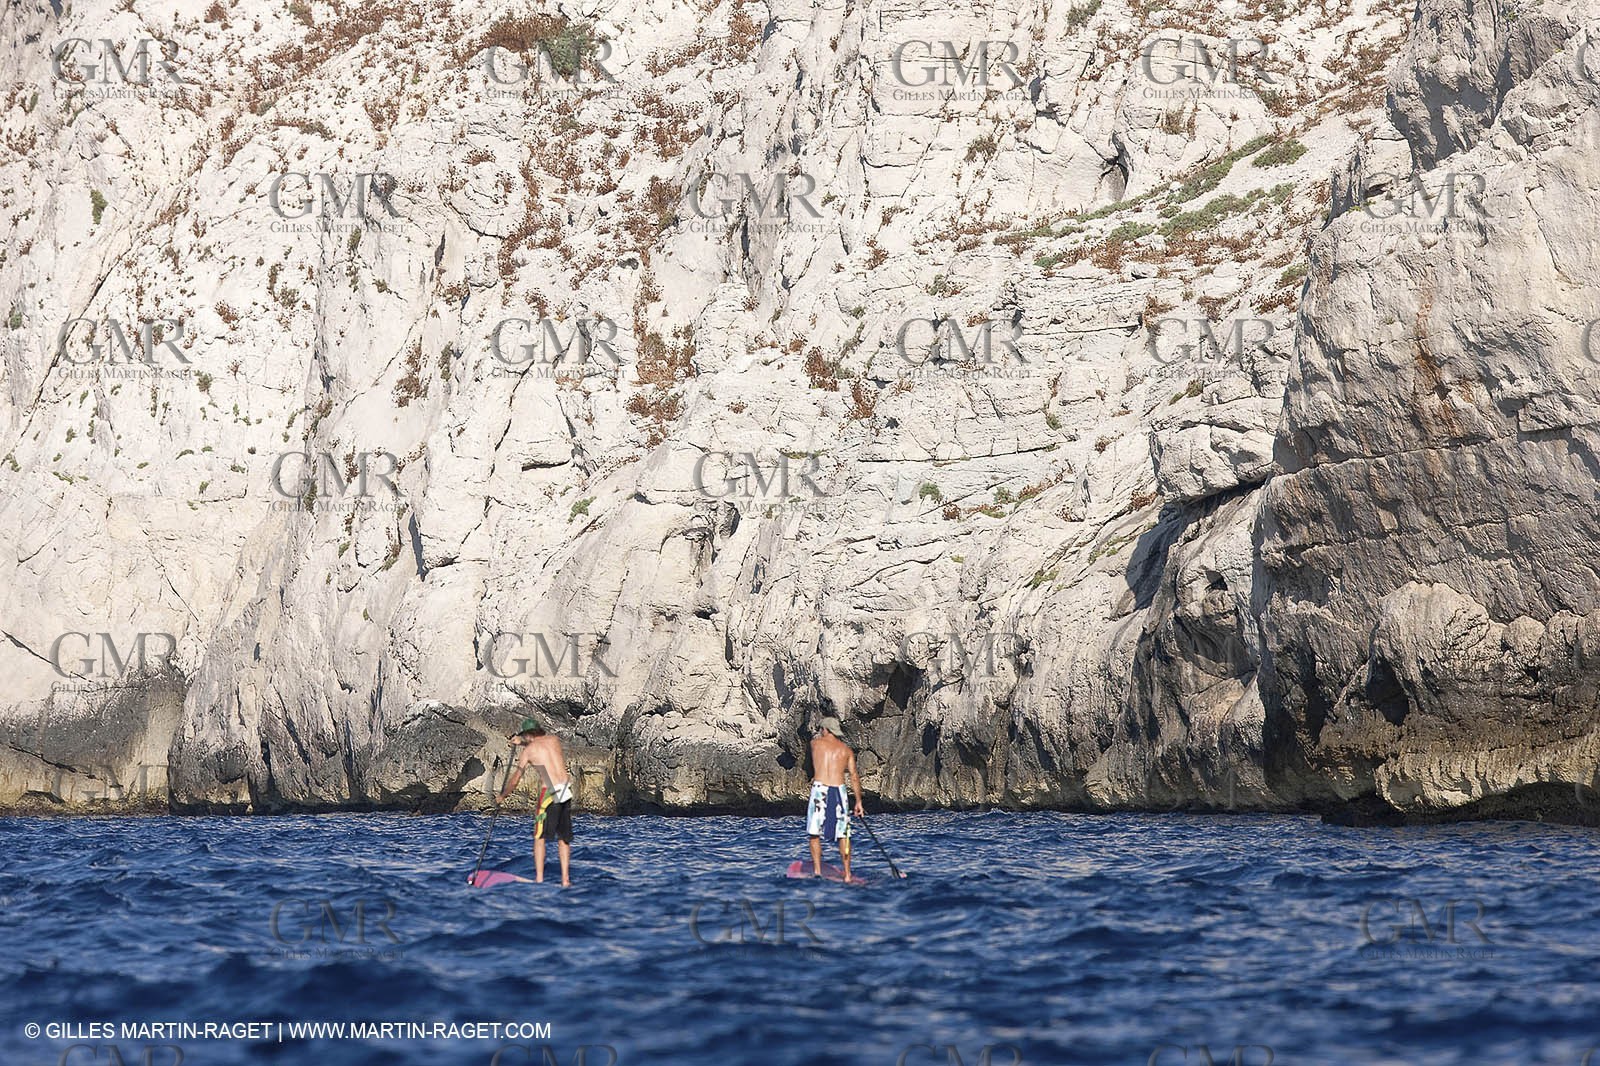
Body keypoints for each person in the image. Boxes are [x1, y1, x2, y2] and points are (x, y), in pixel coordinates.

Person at [494, 718, 575, 886]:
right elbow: (541, 749)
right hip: (565, 790)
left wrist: (503, 796)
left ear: (528, 735)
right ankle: (565, 880)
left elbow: (516, 779)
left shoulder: (528, 752)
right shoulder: (554, 740)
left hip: (550, 791)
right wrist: (522, 742)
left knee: (539, 837)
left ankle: (539, 879)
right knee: (563, 837)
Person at [806, 716, 866, 882]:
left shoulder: (815, 744)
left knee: (814, 833)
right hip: (839, 792)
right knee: (844, 835)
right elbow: (854, 777)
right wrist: (858, 802)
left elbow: (810, 755)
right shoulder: (846, 750)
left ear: (825, 730)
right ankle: (847, 874)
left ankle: (817, 871)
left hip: (820, 790)